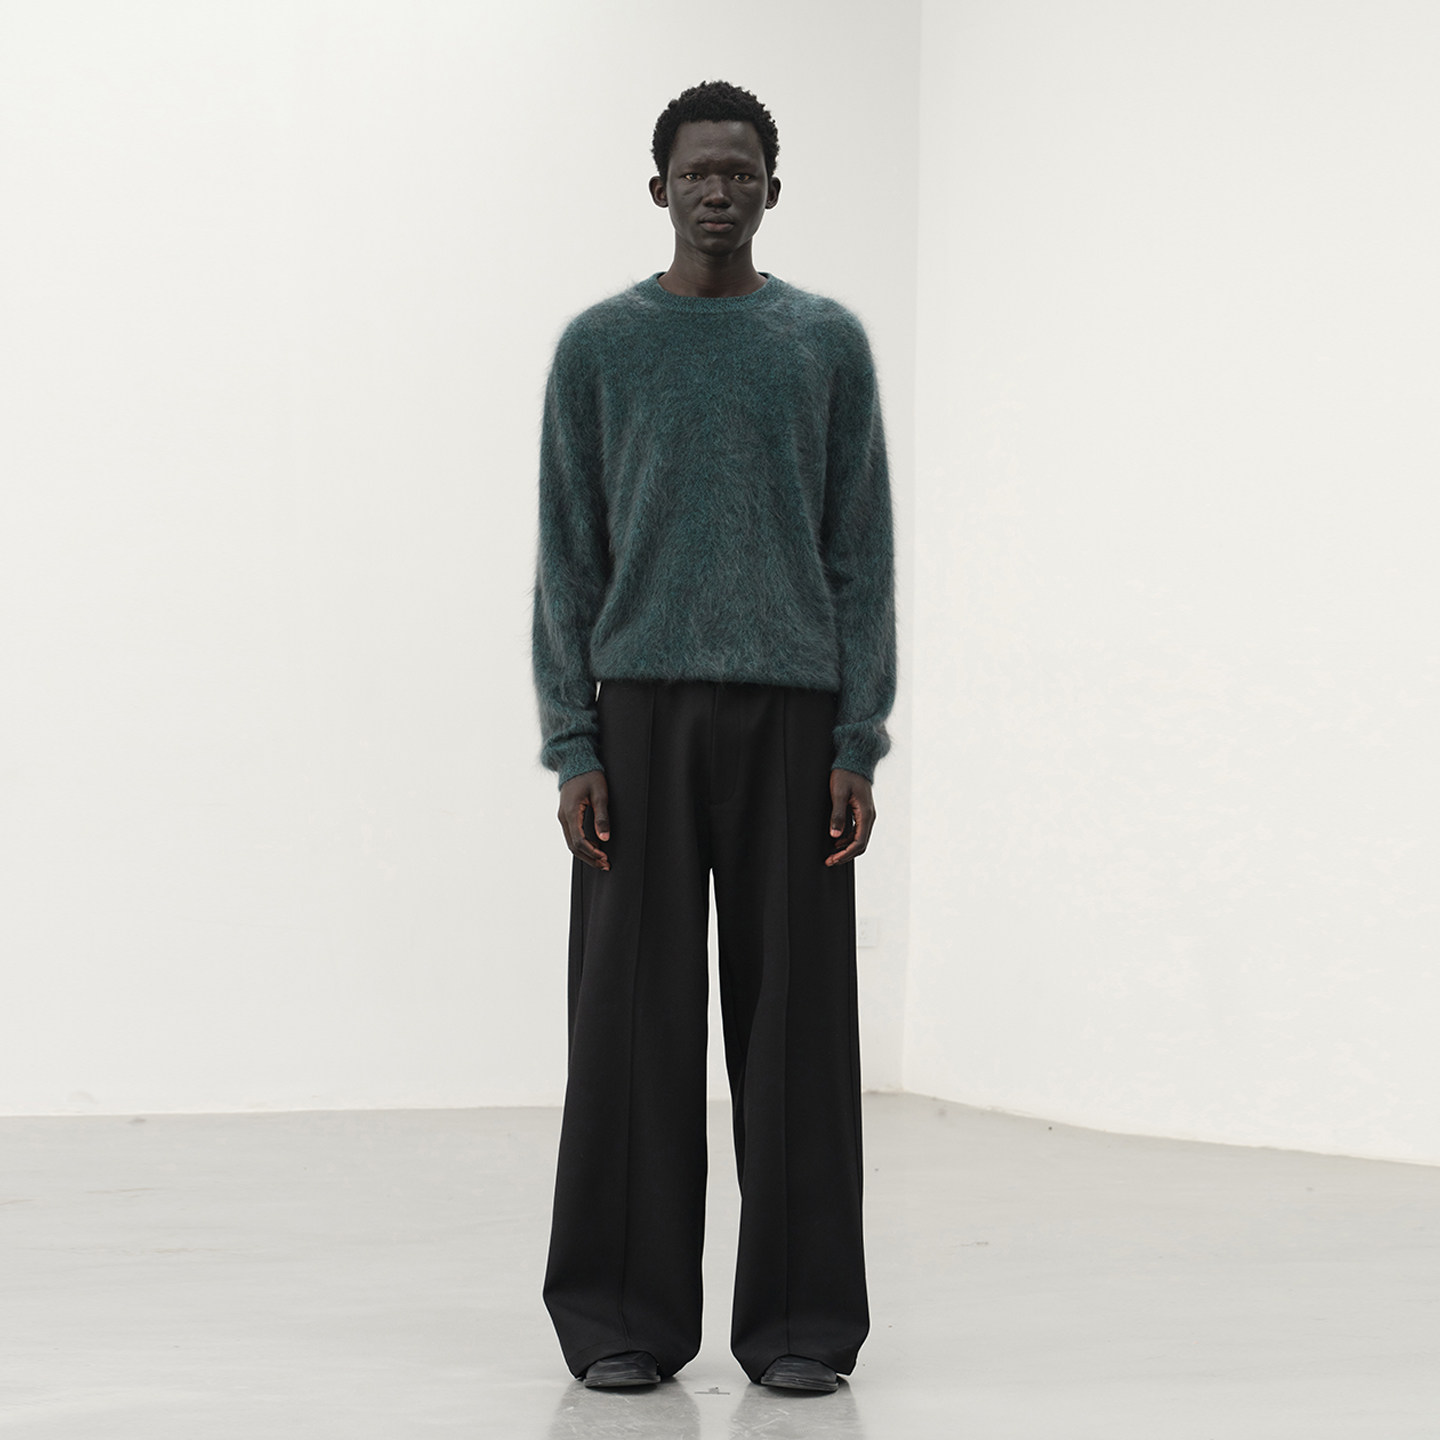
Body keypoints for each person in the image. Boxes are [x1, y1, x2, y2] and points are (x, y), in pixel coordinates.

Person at [530, 79, 896, 1396]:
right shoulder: (600, 348)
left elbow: (860, 549)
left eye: (741, 172)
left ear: (773, 190)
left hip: (794, 719)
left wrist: (859, 735)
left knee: (798, 1029)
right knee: (629, 1027)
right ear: (660, 189)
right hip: (638, 717)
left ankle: (800, 1325)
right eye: (697, 172)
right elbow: (569, 556)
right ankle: (621, 1320)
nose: (719, 192)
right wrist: (574, 744)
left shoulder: (824, 343)